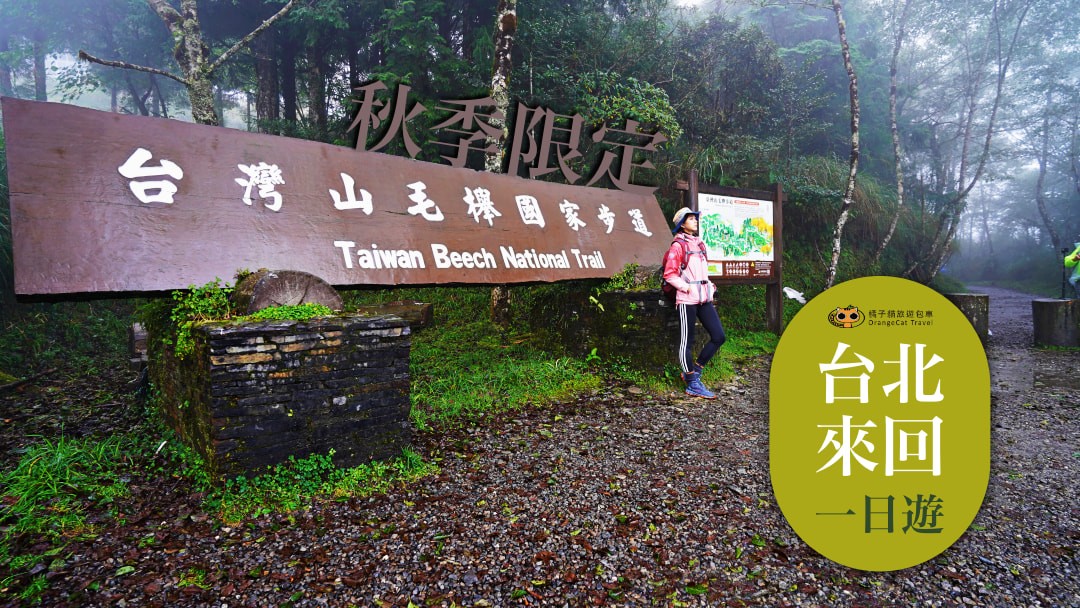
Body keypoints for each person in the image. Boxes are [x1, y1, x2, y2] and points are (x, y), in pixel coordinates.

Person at [663, 207, 726, 399]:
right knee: (686, 342)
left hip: (703, 298)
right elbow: (670, 274)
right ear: (682, 224)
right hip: (687, 299)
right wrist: (686, 288)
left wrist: (710, 287)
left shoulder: (700, 244)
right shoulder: (677, 246)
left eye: (695, 218)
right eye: (691, 219)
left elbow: (702, 271)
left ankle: (695, 371)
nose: (695, 221)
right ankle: (691, 383)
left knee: (719, 336)